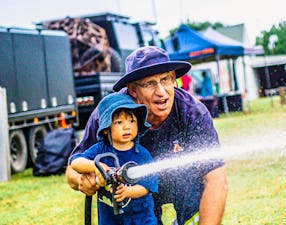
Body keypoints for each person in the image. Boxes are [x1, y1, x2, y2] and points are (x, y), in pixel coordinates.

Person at [66, 46, 228, 225]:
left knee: (192, 178)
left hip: (180, 184)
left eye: (166, 80)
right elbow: (72, 170)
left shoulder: (192, 112)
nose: (161, 91)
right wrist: (82, 180)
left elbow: (216, 180)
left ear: (174, 78)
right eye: (150, 83)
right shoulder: (110, 114)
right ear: (133, 90)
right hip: (133, 195)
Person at [70, 93, 158, 225]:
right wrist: (97, 167)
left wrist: (128, 192)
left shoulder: (142, 154)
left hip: (141, 219)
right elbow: (75, 162)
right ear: (106, 129)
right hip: (110, 220)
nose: (127, 126)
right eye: (119, 122)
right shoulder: (100, 150)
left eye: (131, 120)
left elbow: (148, 186)